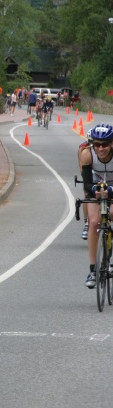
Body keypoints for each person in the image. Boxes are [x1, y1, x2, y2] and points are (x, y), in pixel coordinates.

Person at [79, 123, 113, 289]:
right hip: (95, 187)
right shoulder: (87, 154)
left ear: (111, 143)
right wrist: (94, 190)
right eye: (97, 144)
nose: (100, 148)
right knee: (93, 222)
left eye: (105, 144)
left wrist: (110, 191)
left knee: (112, 213)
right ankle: (93, 270)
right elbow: (86, 183)